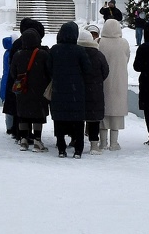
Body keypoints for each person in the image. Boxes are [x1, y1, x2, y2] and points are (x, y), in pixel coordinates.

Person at [47, 21, 94, 158]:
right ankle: (78, 150)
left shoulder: (54, 49)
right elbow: (88, 69)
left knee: (59, 119)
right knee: (78, 120)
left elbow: (48, 68)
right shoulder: (79, 50)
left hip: (59, 90)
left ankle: (61, 148)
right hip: (76, 91)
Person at [9, 19, 51, 152]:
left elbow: (13, 72)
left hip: (23, 89)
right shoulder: (43, 55)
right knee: (38, 115)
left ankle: (23, 140)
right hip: (39, 90)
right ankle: (37, 141)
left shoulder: (18, 54)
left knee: (23, 114)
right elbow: (49, 71)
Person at [97, 18, 130, 151]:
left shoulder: (99, 42)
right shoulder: (124, 43)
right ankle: (114, 143)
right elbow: (126, 58)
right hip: (119, 81)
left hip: (103, 81)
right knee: (116, 113)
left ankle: (103, 142)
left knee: (103, 113)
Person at [78, 24, 109, 155]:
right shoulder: (98, 54)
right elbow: (105, 71)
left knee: (79, 118)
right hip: (95, 90)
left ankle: (77, 142)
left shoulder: (77, 54)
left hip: (78, 90)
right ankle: (94, 145)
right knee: (94, 118)